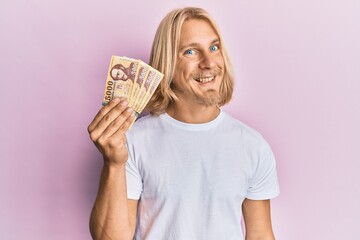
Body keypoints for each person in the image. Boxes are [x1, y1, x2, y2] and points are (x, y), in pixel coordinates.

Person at [88, 7, 279, 240]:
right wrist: (114, 163)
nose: (209, 62)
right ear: (167, 65)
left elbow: (260, 235)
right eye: (190, 51)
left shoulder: (253, 146)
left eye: (214, 47)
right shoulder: (132, 142)